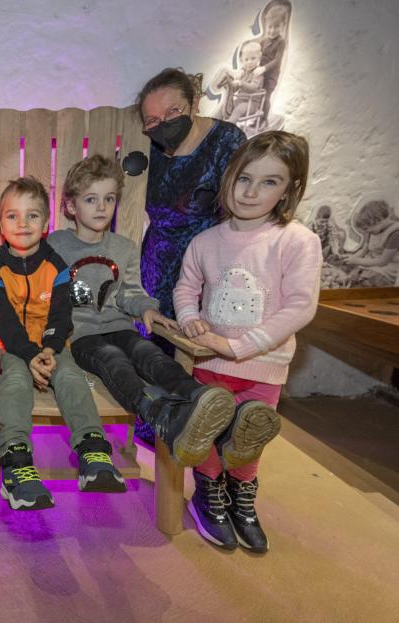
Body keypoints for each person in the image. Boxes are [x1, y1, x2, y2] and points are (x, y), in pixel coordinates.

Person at [173, 131, 323, 553]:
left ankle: (242, 497)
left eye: (270, 181)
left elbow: (299, 306)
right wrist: (190, 321)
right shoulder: (205, 242)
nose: (252, 191)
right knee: (206, 428)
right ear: (229, 177)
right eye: (244, 178)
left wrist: (240, 346)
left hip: (263, 364)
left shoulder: (297, 241)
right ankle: (209, 494)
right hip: (210, 364)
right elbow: (186, 290)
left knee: (250, 434)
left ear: (289, 189)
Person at [48, 155, 237, 468]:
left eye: (109, 199)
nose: (101, 207)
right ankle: (160, 413)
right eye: (91, 199)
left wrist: (147, 310)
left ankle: (199, 398)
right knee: (114, 360)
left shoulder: (123, 247)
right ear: (70, 206)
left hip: (119, 326)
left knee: (149, 354)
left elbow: (130, 293)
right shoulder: (56, 244)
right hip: (81, 335)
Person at [0, 176, 125, 512]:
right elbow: (5, 321)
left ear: (46, 223)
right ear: (0, 224)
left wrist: (49, 348)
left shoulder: (56, 266)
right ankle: (16, 462)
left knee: (71, 378)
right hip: (14, 347)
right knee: (15, 382)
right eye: (12, 216)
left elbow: (62, 315)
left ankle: (93, 451)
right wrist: (30, 355)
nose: (23, 223)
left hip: (52, 344)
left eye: (32, 215)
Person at [135, 67, 246, 444]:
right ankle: (154, 421)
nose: (162, 123)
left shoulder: (226, 141)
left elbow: (239, 203)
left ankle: (205, 419)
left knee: (203, 336)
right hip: (158, 253)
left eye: (172, 112)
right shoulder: (147, 149)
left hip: (208, 254)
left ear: (193, 103)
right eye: (152, 119)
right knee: (156, 334)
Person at [213, 40, 265, 125]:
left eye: (253, 58)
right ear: (242, 60)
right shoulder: (243, 73)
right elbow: (236, 87)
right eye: (246, 59)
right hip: (240, 100)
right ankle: (212, 121)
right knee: (225, 106)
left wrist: (240, 83)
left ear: (259, 58)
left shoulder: (257, 74)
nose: (249, 62)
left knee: (238, 110)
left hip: (251, 103)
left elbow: (253, 88)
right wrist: (231, 84)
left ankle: (228, 127)